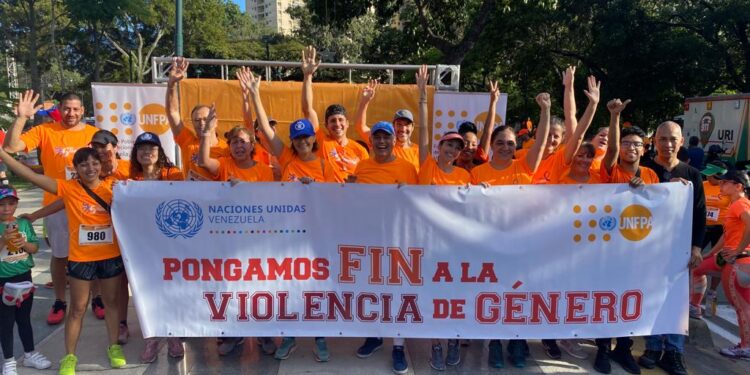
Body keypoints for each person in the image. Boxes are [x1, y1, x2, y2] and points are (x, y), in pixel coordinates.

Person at [0, 146, 126, 375]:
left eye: (94, 163)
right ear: (76, 169)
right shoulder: (68, 188)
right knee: (77, 308)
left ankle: (114, 347)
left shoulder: (114, 187)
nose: (90, 168)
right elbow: (31, 176)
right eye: (84, 164)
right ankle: (69, 356)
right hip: (80, 258)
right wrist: (2, 153)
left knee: (112, 304)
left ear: (101, 165)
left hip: (110, 256)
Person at [3, 90, 100, 326]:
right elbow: (12, 146)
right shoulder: (46, 131)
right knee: (60, 255)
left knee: (95, 253)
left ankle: (98, 298)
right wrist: (22, 117)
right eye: (67, 108)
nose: (71, 113)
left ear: (83, 111)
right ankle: (59, 301)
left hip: (88, 205)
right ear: (60, 109)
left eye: (76, 109)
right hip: (56, 205)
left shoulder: (94, 134)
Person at [470, 92, 550, 369]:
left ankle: (518, 342)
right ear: (491, 145)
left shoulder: (524, 165)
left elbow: (540, 144)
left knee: (521, 295)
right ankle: (494, 342)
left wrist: (545, 111)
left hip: (523, 244)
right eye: (501, 143)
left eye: (511, 143)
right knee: (495, 295)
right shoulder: (477, 174)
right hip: (491, 245)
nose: (506, 147)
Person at [412, 65, 469, 369]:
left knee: (455, 295)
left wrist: (483, 191)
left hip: (456, 245)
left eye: (457, 147)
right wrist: (422, 96)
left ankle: (454, 341)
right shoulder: (427, 167)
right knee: (433, 296)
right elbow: (422, 132)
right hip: (428, 242)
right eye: (448, 144)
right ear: (440, 147)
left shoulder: (463, 175)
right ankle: (435, 345)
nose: (452, 149)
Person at [594, 99, 656, 375]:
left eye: (637, 145)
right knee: (609, 299)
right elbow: (613, 150)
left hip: (639, 252)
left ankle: (625, 348)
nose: (631, 149)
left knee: (632, 301)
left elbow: (661, 207)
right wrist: (615, 117)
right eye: (627, 144)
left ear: (644, 149)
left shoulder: (653, 176)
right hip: (610, 250)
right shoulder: (610, 170)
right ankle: (603, 349)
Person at [639, 121, 706, 375]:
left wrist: (697, 247)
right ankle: (653, 347)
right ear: (654, 141)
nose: (667, 144)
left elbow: (699, 215)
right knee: (651, 298)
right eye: (662, 139)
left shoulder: (692, 175)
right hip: (649, 249)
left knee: (676, 300)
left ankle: (675, 352)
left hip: (679, 251)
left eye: (672, 139)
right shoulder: (644, 170)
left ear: (681, 141)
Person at [351, 121, 417, 374]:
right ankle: (375, 336)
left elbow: (417, 202)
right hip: (368, 239)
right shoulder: (362, 166)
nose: (381, 142)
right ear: (371, 141)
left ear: (393, 141)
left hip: (397, 239)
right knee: (370, 290)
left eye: (385, 137)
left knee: (397, 292)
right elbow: (354, 199)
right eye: (376, 137)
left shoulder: (408, 168)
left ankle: (398, 345)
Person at [0, 186, 52, 374]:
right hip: (3, 279)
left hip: (24, 277)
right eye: (2, 205)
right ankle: (8, 360)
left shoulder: (23, 223)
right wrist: (3, 240)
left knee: (24, 318)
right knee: (6, 320)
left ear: (16, 204)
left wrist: (25, 244)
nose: (6, 208)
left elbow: (35, 248)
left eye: (10, 204)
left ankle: (30, 354)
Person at [301, 46, 369, 182]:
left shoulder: (360, 150)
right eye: (332, 121)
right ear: (326, 125)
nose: (337, 124)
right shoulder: (321, 140)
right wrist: (307, 76)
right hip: (326, 198)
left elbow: (366, 179)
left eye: (340, 120)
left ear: (347, 123)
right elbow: (307, 109)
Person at [165, 57, 229, 181]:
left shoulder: (226, 148)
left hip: (218, 199)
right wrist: (171, 85)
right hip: (191, 199)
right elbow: (172, 112)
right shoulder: (188, 141)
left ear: (215, 122)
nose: (202, 123)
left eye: (206, 119)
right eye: (197, 120)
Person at [711, 170, 750, 359]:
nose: (721, 184)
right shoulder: (740, 204)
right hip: (742, 260)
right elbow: (727, 235)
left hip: (738, 263)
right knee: (745, 306)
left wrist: (738, 250)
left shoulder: (740, 204)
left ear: (738, 186)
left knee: (742, 307)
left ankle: (746, 346)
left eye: (726, 182)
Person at [689, 161, 730, 319]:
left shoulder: (727, 188)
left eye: (711, 174)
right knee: (693, 258)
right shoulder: (703, 184)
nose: (708, 176)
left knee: (718, 261)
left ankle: (712, 292)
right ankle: (693, 293)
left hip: (720, 229)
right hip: (704, 227)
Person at [354, 80, 420, 171]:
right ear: (393, 126)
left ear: (412, 127)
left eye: (407, 125)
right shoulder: (385, 142)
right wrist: (365, 102)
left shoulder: (419, 152)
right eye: (399, 124)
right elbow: (360, 126)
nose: (403, 128)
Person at [454, 82, 499, 171]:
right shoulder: (450, 161)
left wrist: (493, 102)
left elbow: (487, 132)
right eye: (466, 143)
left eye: (474, 144)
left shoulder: (480, 158)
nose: (470, 147)